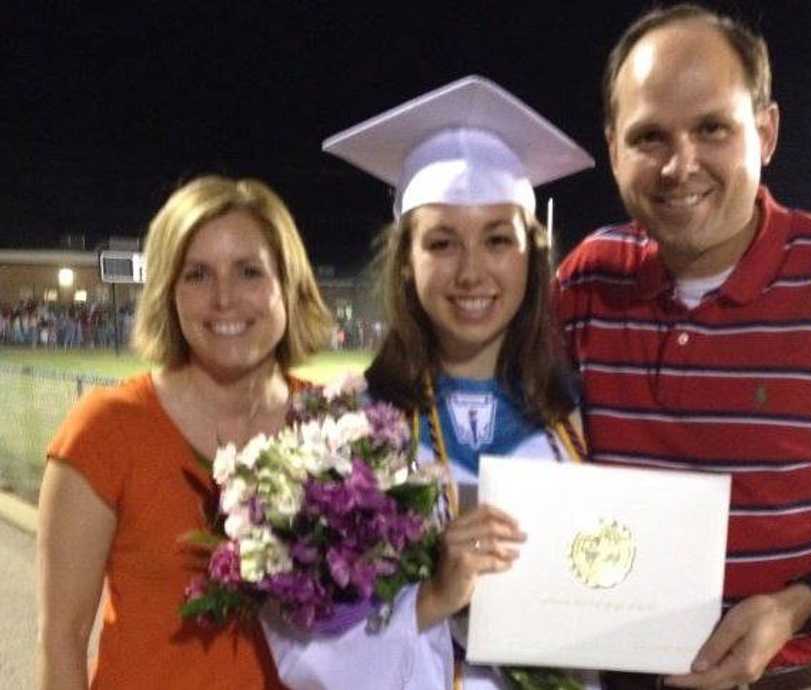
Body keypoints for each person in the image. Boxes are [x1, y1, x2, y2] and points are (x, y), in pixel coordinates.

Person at [553, 4, 811, 690]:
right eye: (650, 136)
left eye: (712, 128)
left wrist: (804, 603)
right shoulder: (588, 281)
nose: (680, 165)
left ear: (767, 132)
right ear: (613, 148)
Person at [259, 76, 598, 690]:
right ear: (406, 263)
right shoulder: (347, 432)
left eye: (498, 239)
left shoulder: (578, 420)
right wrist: (433, 598)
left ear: (531, 256)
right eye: (442, 242)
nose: (472, 271)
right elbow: (301, 649)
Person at [36, 175, 332, 690]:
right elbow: (62, 640)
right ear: (168, 293)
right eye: (197, 275)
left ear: (289, 284)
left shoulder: (334, 429)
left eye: (249, 272)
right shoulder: (106, 429)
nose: (224, 298)